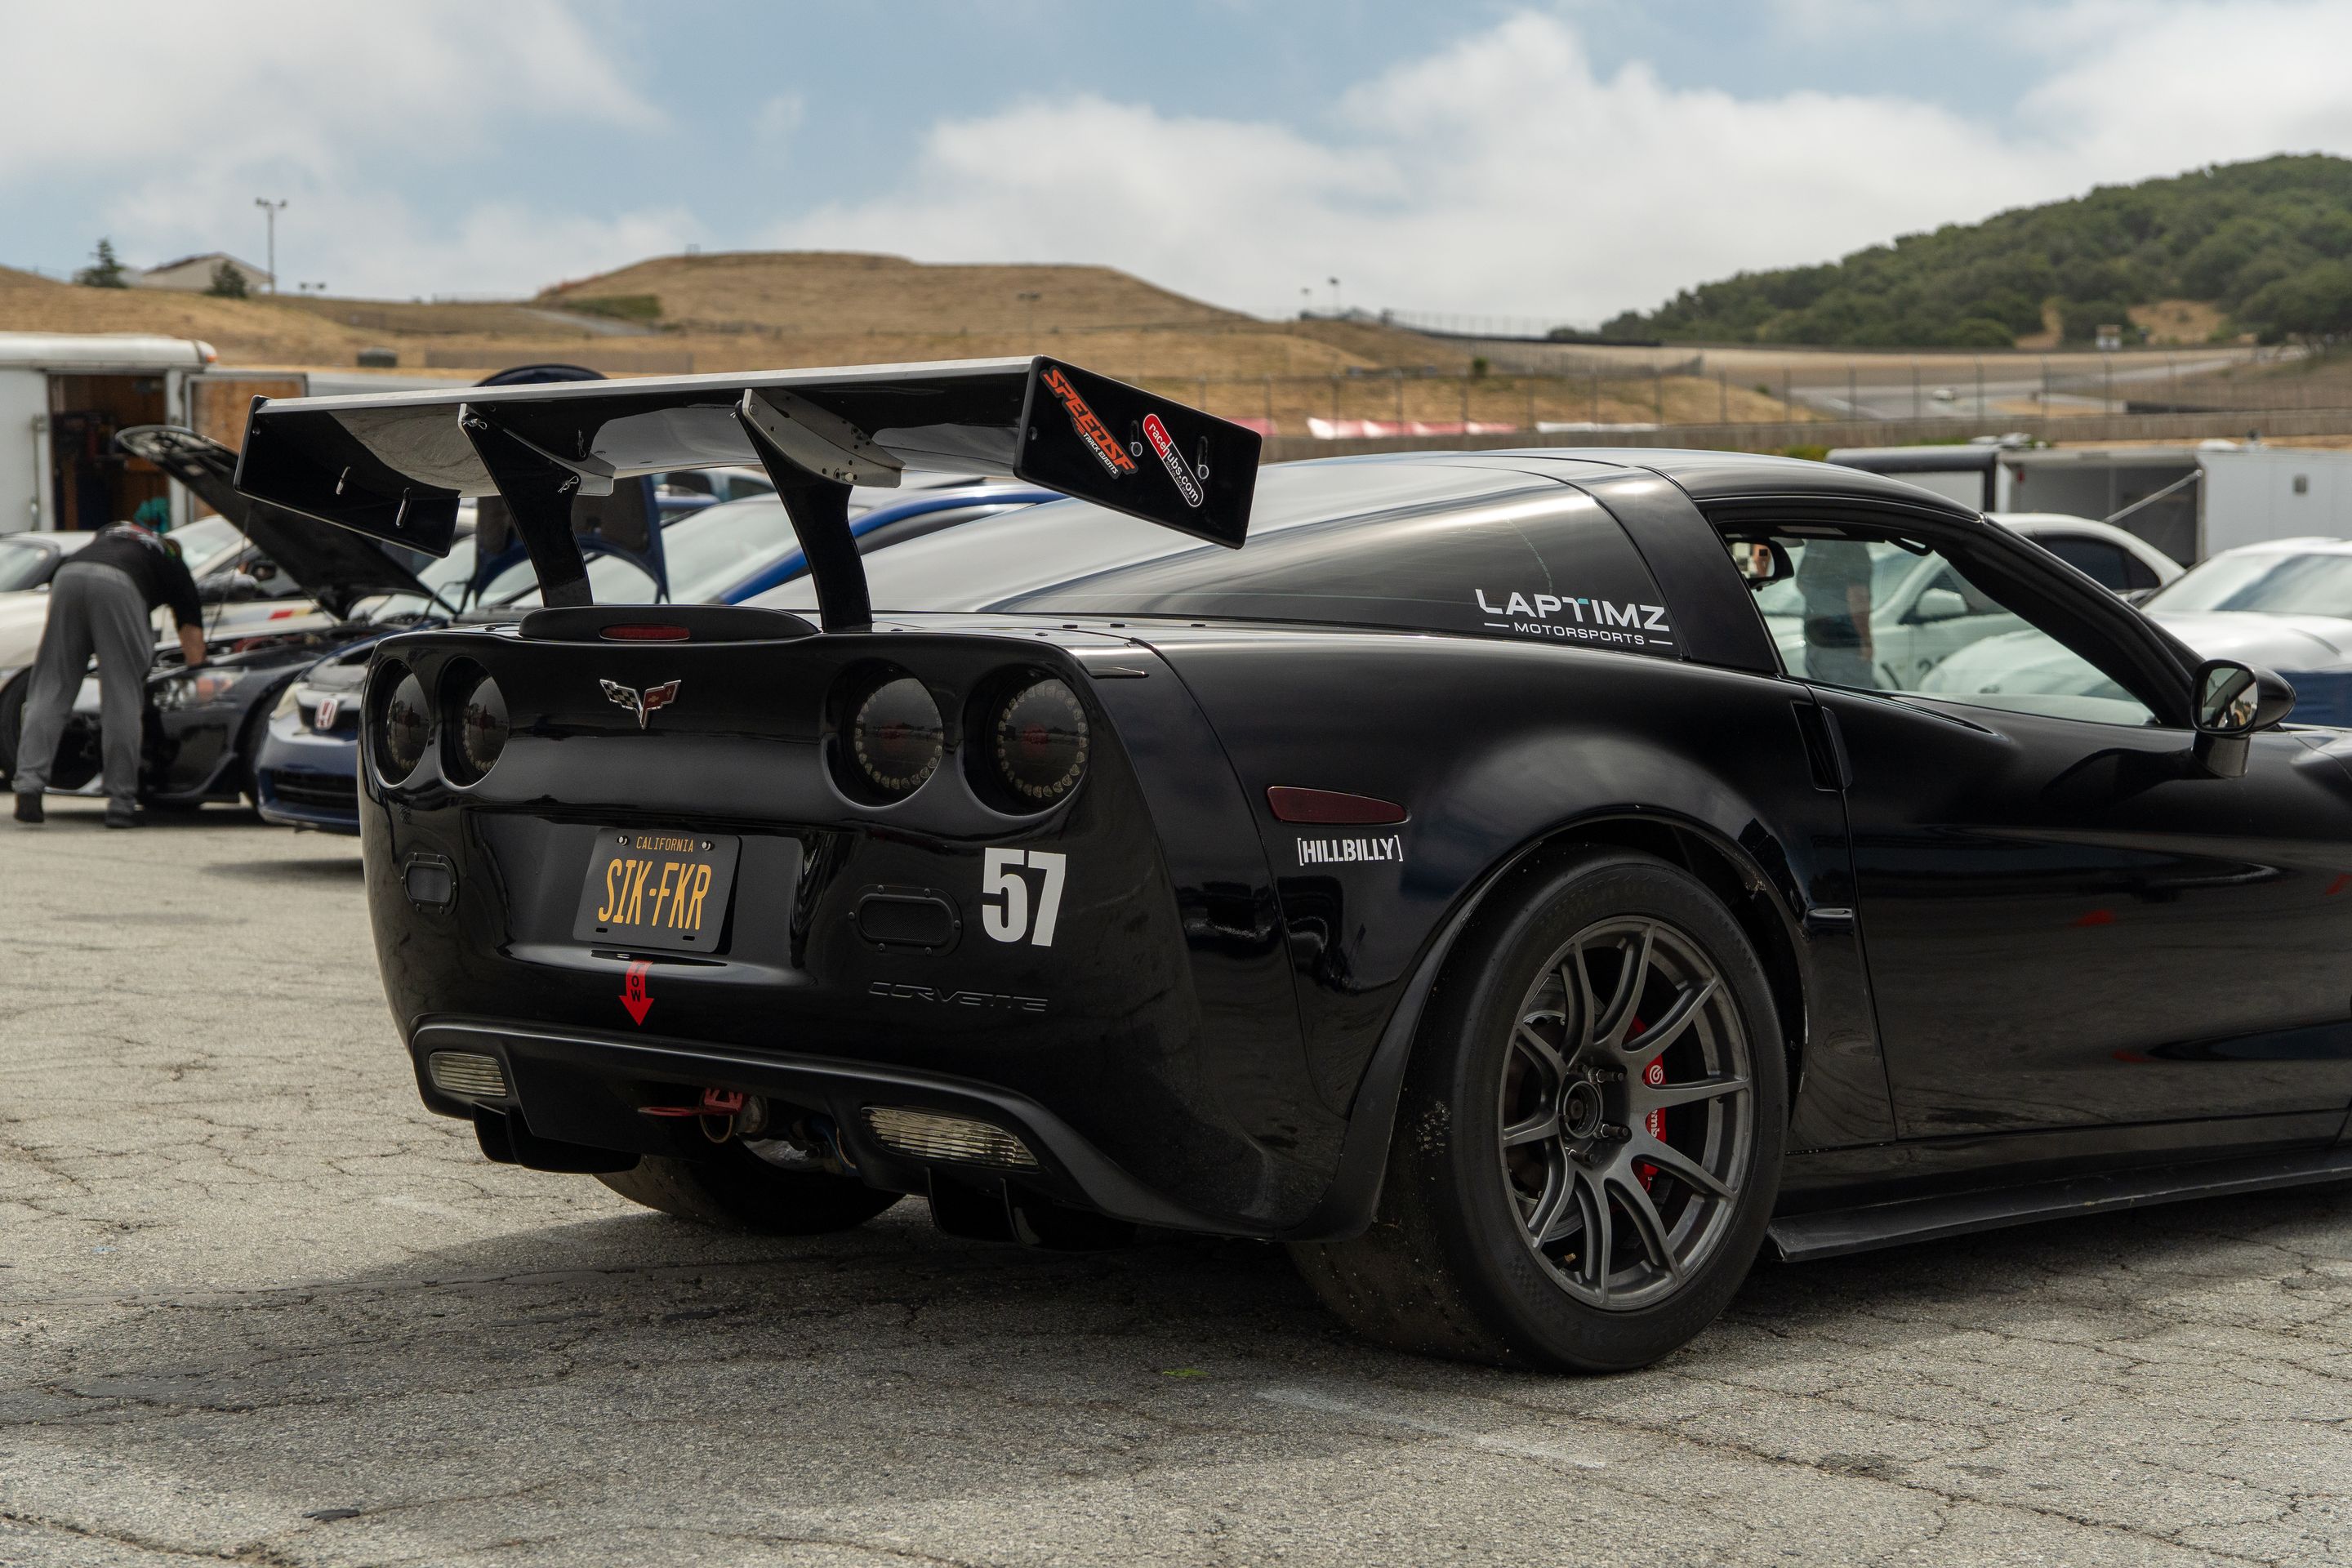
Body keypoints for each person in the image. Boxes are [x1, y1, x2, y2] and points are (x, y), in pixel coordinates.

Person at [12, 520, 206, 828]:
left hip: (69, 575)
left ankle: (28, 787)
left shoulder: (115, 530)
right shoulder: (172, 562)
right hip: (120, 584)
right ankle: (121, 803)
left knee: (50, 687)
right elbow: (191, 631)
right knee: (121, 696)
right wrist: (198, 674)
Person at [1795, 537, 1878, 689]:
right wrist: (1866, 641)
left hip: (1816, 640)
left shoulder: (1817, 545)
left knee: (1823, 696)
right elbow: (1858, 597)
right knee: (1854, 702)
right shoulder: (1854, 548)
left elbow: (1801, 584)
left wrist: (1822, 602)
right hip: (1846, 645)